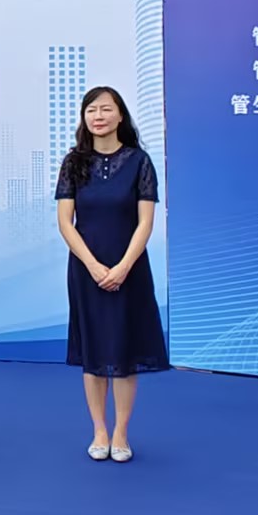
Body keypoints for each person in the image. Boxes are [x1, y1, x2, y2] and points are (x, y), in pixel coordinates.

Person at [56, 85, 170, 464]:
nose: (98, 116)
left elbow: (145, 223)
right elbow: (66, 222)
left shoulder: (139, 162)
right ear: (84, 118)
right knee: (93, 351)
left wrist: (122, 267)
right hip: (85, 269)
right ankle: (99, 430)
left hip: (129, 269)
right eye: (91, 110)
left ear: (121, 115)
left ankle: (120, 432)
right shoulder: (73, 162)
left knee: (123, 348)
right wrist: (92, 265)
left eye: (106, 109)